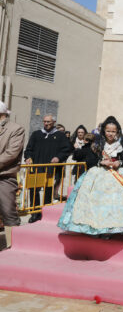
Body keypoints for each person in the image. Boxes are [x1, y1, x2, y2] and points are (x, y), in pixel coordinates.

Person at [57, 116, 123, 236]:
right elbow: (90, 160)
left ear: (117, 132)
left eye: (113, 131)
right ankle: (94, 227)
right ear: (104, 130)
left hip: (117, 175)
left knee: (114, 201)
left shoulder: (120, 145)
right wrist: (101, 162)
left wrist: (118, 162)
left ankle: (111, 228)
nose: (110, 134)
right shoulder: (97, 144)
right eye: (108, 131)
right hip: (98, 173)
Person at [24, 114, 72, 223]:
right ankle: (35, 213)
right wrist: (28, 157)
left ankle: (45, 214)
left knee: (48, 191)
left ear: (54, 122)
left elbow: (67, 149)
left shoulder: (60, 136)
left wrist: (58, 157)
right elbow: (28, 149)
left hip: (50, 169)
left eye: (48, 122)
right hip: (36, 168)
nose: (46, 124)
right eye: (44, 121)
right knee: (34, 191)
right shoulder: (36, 134)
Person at [0, 101, 25, 249]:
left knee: (8, 210)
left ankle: (13, 246)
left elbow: (11, 154)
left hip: (4, 176)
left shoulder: (16, 129)